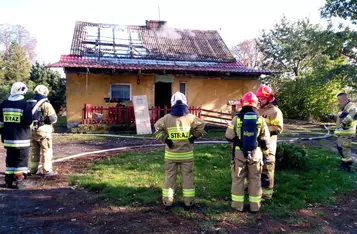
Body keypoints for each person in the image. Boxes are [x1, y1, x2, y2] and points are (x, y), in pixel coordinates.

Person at [154, 91, 206, 208]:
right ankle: (189, 202)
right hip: (186, 155)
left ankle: (167, 201)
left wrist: (166, 140)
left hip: (171, 155)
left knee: (169, 177)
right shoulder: (191, 118)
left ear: (172, 103)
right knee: (187, 177)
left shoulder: (166, 118)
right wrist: (193, 137)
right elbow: (204, 127)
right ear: (185, 103)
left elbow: (156, 129)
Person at [225, 91, 270, 212]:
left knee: (238, 179)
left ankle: (237, 206)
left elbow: (228, 136)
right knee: (255, 179)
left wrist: (239, 143)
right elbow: (265, 140)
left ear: (242, 103)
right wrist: (265, 153)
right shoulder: (260, 119)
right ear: (255, 104)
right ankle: (255, 206)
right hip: (256, 154)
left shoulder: (236, 119)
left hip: (239, 154)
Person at [0, 82, 33, 188]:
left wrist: (2, 135)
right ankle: (19, 181)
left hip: (8, 139)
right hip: (22, 140)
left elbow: (0, 123)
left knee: (10, 160)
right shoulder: (25, 104)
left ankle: (8, 181)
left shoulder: (4, 104)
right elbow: (28, 122)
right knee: (21, 160)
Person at [255, 85, 283, 199]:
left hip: (269, 145)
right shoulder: (257, 110)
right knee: (254, 166)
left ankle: (267, 194)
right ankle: (253, 188)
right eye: (259, 98)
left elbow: (278, 128)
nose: (260, 100)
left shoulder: (275, 111)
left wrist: (263, 129)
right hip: (257, 144)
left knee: (267, 167)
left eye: (262, 98)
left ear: (269, 98)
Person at [28, 85, 57, 176]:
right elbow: (53, 119)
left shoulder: (30, 103)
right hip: (44, 131)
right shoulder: (46, 104)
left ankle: (32, 170)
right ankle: (47, 170)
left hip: (32, 131)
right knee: (46, 150)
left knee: (34, 151)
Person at [328, 92, 357, 172]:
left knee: (345, 150)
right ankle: (344, 163)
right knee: (340, 148)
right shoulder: (344, 108)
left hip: (347, 133)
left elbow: (353, 115)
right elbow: (339, 117)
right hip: (342, 134)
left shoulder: (351, 107)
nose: (338, 101)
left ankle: (347, 167)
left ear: (345, 99)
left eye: (339, 99)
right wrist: (333, 117)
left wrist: (343, 123)